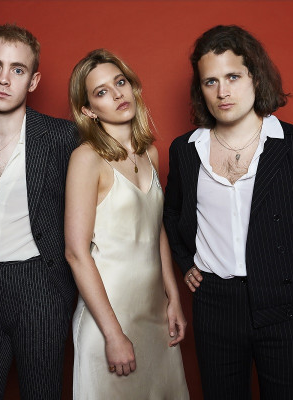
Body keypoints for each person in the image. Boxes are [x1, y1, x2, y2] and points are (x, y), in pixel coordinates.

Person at [163, 25, 293, 399]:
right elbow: (172, 212)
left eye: (233, 77)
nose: (222, 92)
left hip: (284, 307)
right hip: (214, 306)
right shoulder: (185, 150)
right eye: (210, 81)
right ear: (200, 89)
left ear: (255, 77)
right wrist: (185, 262)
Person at [0, 24, 78, 399]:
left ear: (33, 81)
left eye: (17, 70)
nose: (4, 79)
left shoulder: (61, 137)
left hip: (39, 288)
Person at [65, 49, 189, 400]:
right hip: (109, 318)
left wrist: (173, 297)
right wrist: (113, 335)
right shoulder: (86, 158)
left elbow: (155, 229)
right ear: (88, 110)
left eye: (120, 82)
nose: (118, 94)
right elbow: (76, 252)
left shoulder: (150, 153)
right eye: (102, 92)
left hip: (154, 315)